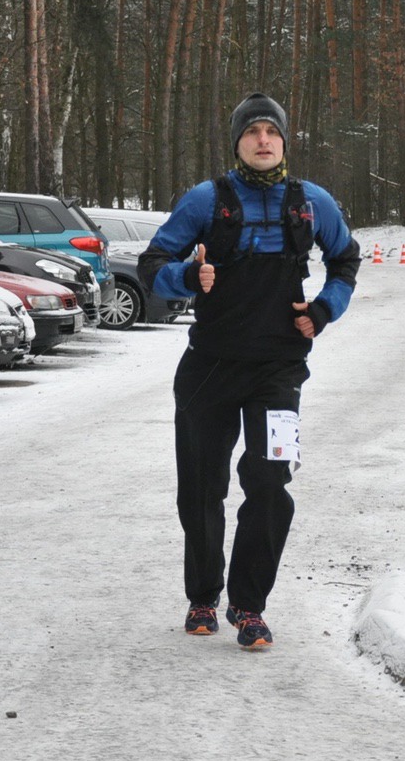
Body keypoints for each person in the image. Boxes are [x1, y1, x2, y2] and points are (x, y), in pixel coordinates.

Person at [138, 92, 360, 649]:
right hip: (209, 369)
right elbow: (152, 264)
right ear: (237, 142)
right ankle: (202, 597)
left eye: (272, 132)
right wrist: (188, 279)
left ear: (284, 141)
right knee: (202, 487)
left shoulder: (312, 202)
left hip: (278, 371)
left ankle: (249, 606)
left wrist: (324, 310)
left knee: (270, 482)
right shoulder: (206, 200)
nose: (263, 140)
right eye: (252, 132)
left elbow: (345, 260)